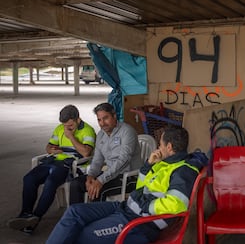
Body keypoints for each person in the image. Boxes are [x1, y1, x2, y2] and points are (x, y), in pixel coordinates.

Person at [46, 126, 208, 244]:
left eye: (160, 144)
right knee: (75, 212)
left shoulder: (183, 171)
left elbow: (176, 204)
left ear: (169, 147)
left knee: (82, 235)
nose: (158, 148)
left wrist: (144, 204)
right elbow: (141, 188)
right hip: (126, 208)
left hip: (140, 224)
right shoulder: (164, 163)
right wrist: (148, 166)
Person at [7, 104, 96, 234]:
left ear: (78, 119)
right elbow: (49, 146)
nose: (66, 128)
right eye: (65, 126)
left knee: (50, 183)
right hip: (53, 161)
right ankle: (25, 215)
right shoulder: (60, 128)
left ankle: (35, 218)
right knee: (29, 178)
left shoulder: (88, 130)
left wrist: (71, 137)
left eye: (70, 126)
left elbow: (86, 153)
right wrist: (52, 149)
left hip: (70, 165)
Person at [69, 102, 140, 204]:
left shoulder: (127, 132)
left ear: (114, 116)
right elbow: (97, 160)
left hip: (128, 177)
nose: (102, 123)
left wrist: (101, 180)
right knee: (76, 184)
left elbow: (123, 161)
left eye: (105, 118)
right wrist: (90, 176)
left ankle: (96, 219)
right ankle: (76, 217)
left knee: (97, 191)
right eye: (99, 120)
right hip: (109, 175)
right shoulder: (101, 135)